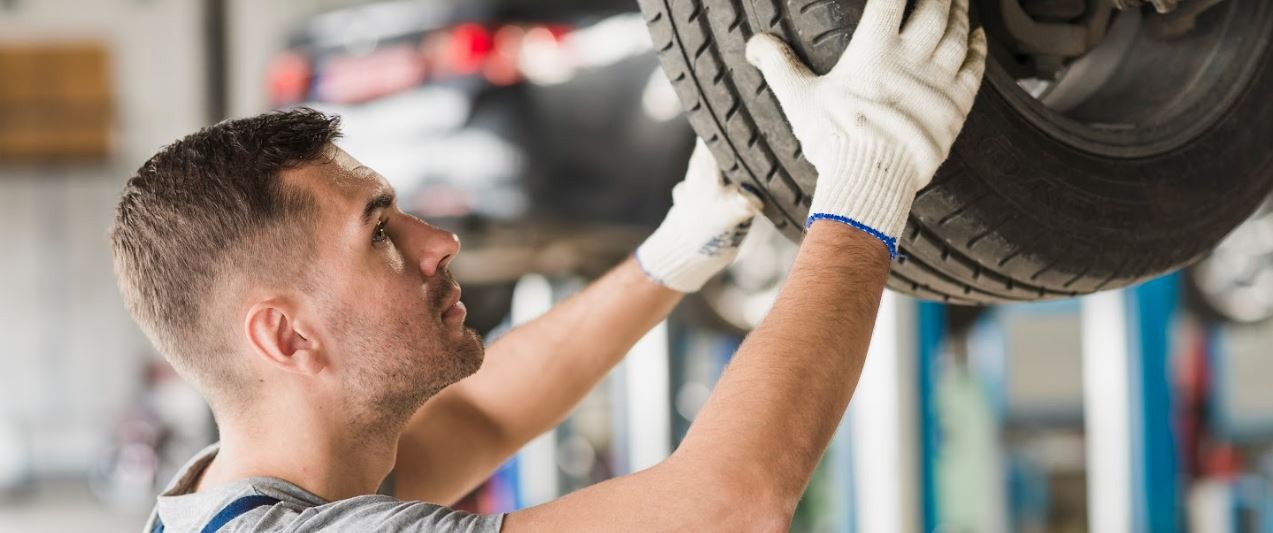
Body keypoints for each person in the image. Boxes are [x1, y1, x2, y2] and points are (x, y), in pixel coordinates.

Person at [111, 0, 985, 530]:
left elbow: (483, 416)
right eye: (380, 233)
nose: (438, 241)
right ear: (285, 334)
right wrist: (866, 186)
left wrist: (670, 256)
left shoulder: (250, 497)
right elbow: (726, 507)